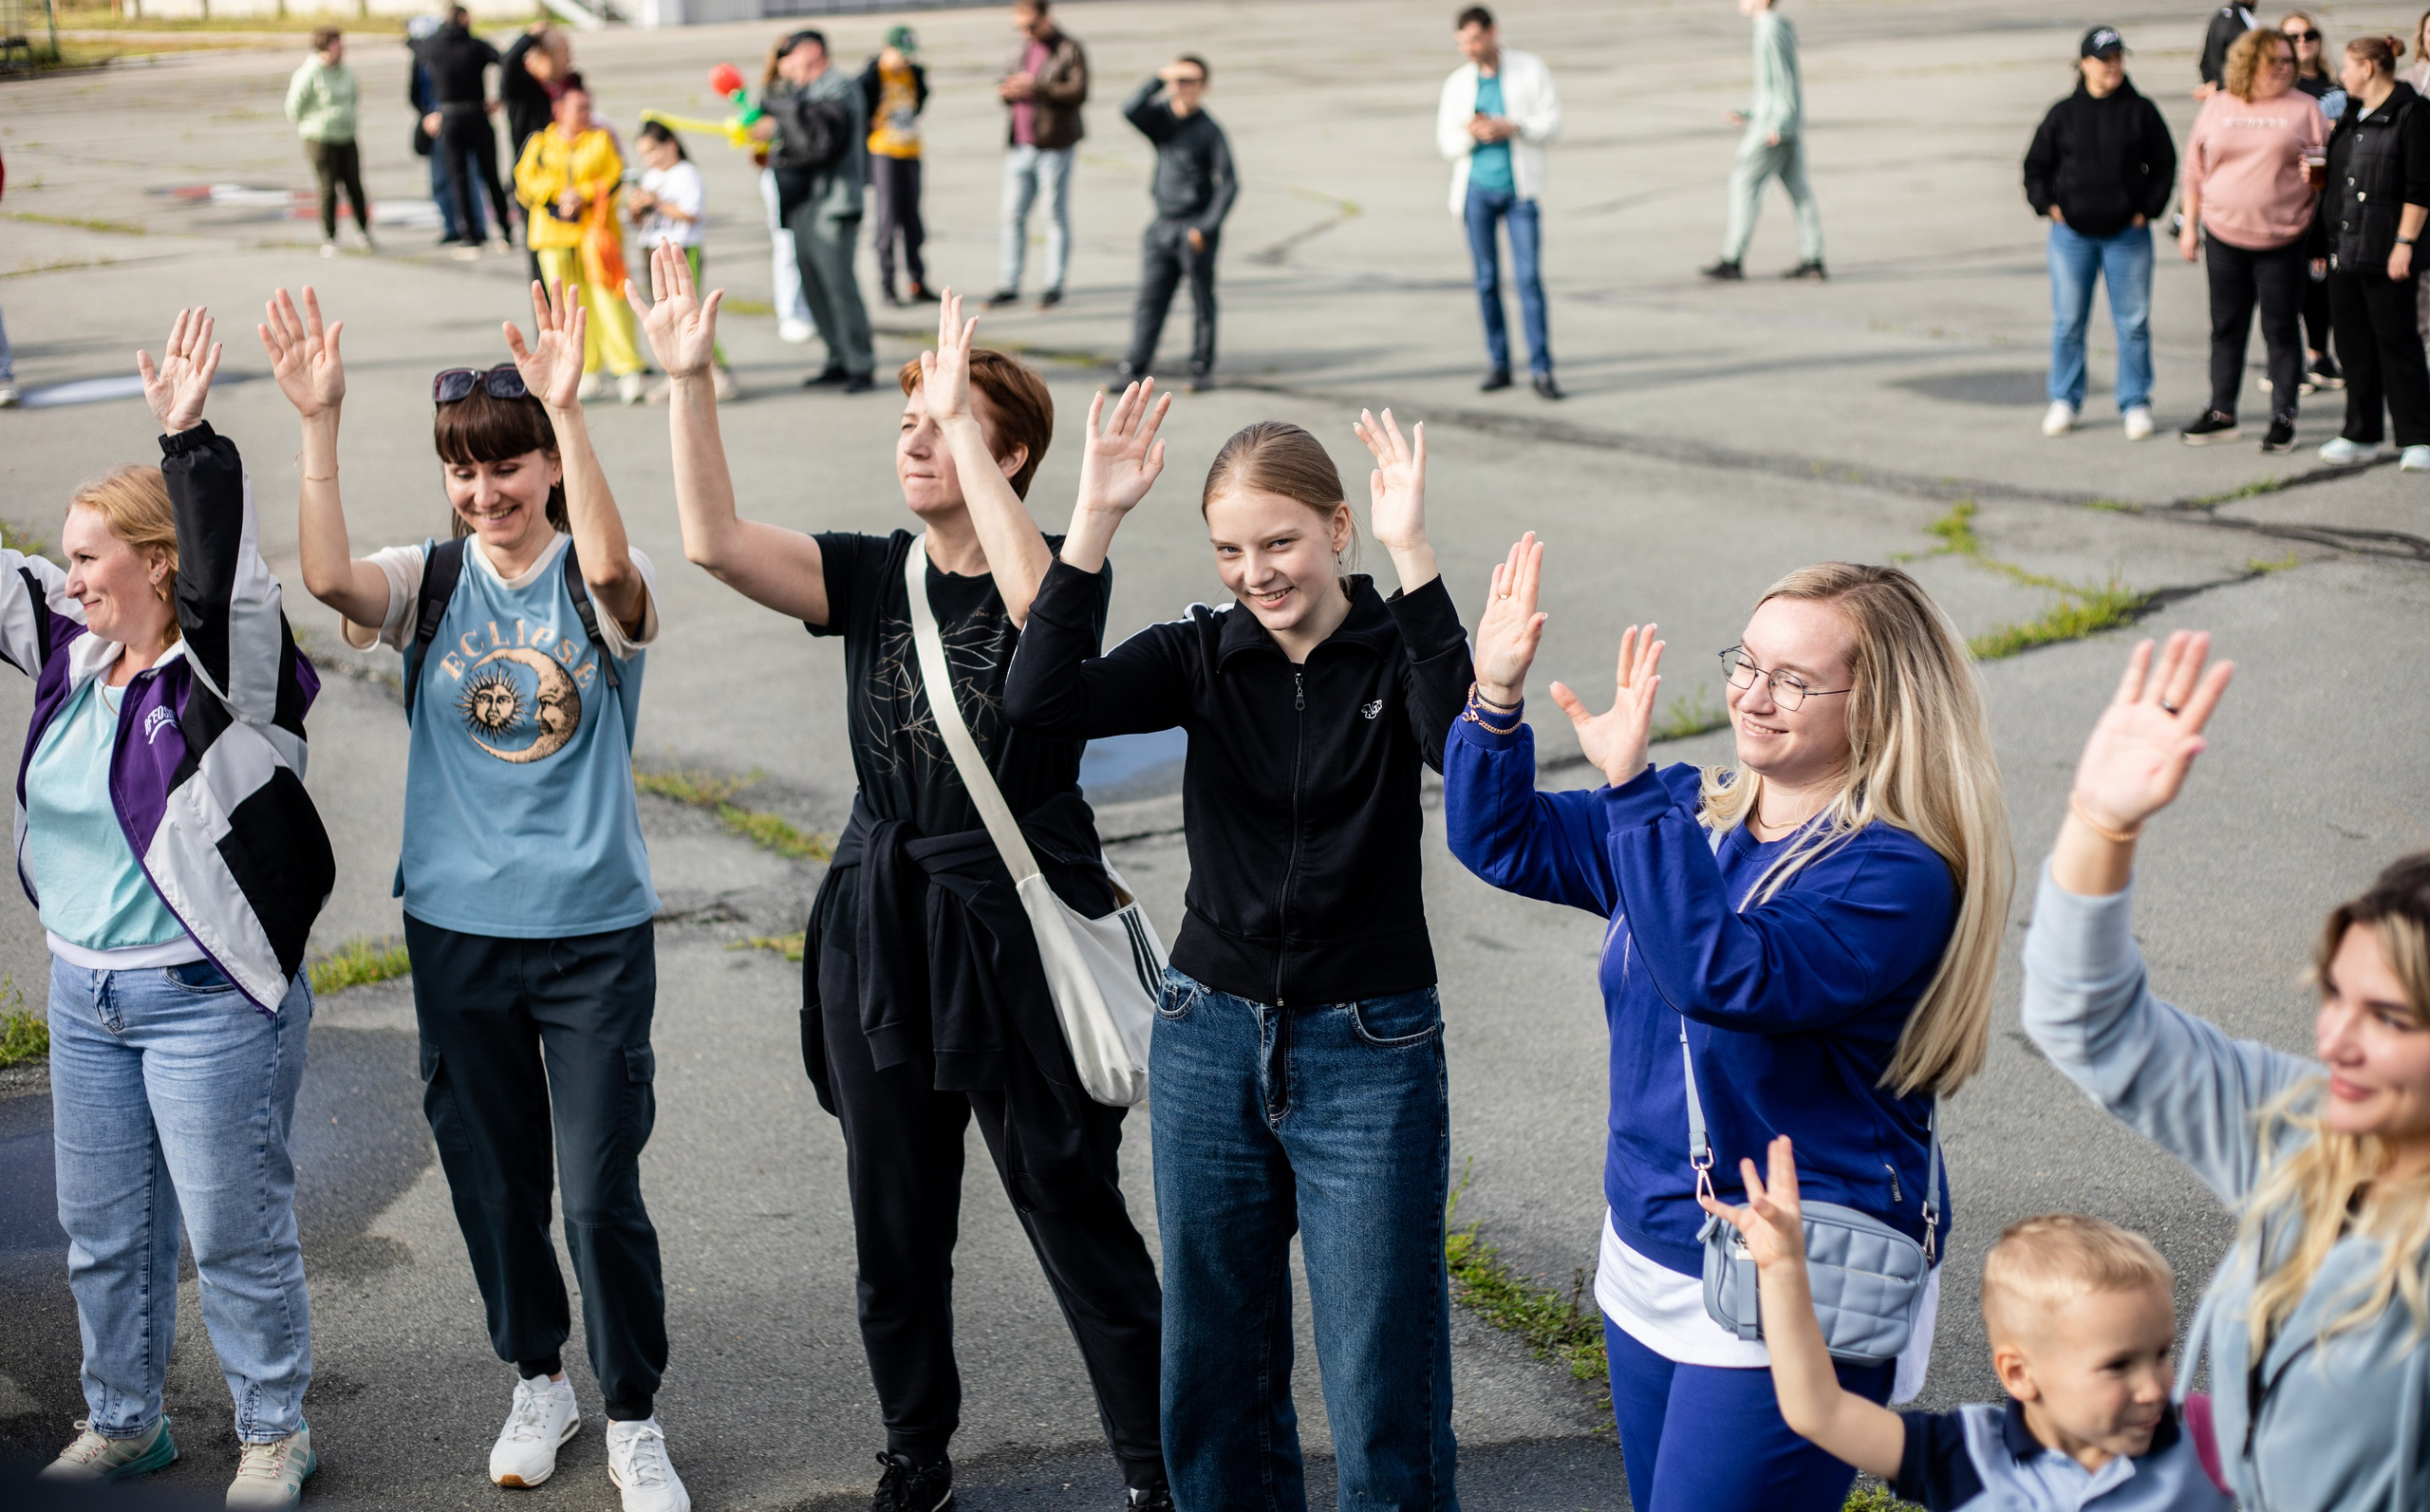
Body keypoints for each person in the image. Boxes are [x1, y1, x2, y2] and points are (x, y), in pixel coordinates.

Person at [628, 254, 1168, 1512]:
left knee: (1070, 1208)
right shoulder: (875, 576)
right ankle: (915, 1455)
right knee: (895, 1225)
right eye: (907, 425)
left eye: (947, 430)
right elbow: (710, 542)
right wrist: (688, 381)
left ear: (1010, 457)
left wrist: (968, 424)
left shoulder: (1052, 574)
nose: (915, 444)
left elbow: (1048, 628)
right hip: (885, 922)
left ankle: (1158, 1469)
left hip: (1015, 925)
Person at [1446, 550, 2011, 1512]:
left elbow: (1726, 975)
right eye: (1745, 664)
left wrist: (1628, 798)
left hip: (1796, 1276)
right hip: (1650, 1246)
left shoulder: (1895, 873)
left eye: (1793, 679)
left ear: (1874, 705)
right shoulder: (1689, 815)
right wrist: (1495, 699)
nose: (1752, 695)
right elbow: (1503, 839)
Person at [1002, 388, 1474, 1504]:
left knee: (1381, 1372)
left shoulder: (1389, 654)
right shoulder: (1199, 654)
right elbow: (1038, 703)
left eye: (1280, 543)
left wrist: (1416, 563)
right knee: (1213, 1362)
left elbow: (1468, 750)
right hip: (1207, 1035)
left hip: (1369, 1047)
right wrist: (1094, 521)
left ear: (1336, 531)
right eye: (1230, 549)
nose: (1257, 572)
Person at [261, 281, 686, 1512]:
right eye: (465, 470)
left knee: (602, 1190)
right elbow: (331, 576)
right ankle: (539, 1378)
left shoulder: (602, 575)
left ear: (548, 464)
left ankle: (636, 1416)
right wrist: (318, 423)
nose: (486, 491)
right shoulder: (433, 578)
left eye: (508, 466)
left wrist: (570, 402)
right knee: (496, 1181)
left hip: (593, 934)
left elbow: (611, 569)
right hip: (455, 933)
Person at [27, 308, 335, 1510]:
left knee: (234, 1233)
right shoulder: (72, 652)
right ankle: (126, 1423)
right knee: (102, 1234)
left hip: (206, 995)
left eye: (89, 555)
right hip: (83, 988)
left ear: (157, 563)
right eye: (63, 556)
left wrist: (188, 441)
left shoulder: (229, 670)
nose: (68, 576)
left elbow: (228, 576)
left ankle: (274, 1430)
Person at [2025, 629, 2430, 1509]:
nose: (2337, 1042)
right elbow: (2090, 1025)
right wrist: (2102, 819)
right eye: (2335, 997)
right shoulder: (2308, 1130)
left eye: (2389, 1018)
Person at [1704, 1165, 2231, 1512]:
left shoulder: (2203, 1435)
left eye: (2161, 1354)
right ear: (2020, 1375)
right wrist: (1784, 1271)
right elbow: (1820, 1412)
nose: (2152, 1388)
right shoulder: (1970, 1455)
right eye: (2118, 1366)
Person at [2024, 27, 2175, 441]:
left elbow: (2165, 164)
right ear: (2085, 64)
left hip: (2127, 235)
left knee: (2133, 322)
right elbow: (2035, 166)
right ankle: (2065, 399)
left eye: (2118, 58)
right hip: (2072, 236)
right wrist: (2048, 206)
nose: (2113, 67)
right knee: (2069, 322)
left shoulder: (2140, 111)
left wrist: (2148, 209)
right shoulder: (2063, 114)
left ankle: (2135, 401)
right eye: (2105, 59)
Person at [2176, 25, 2325, 448]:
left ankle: (2283, 416)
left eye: (2288, 61)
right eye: (2273, 60)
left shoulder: (2306, 109)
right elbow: (2194, 170)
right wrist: (2190, 226)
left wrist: (2316, 177)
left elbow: (2323, 175)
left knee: (2280, 329)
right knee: (2226, 327)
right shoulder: (2220, 105)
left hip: (2283, 239)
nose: (2282, 67)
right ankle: (2222, 412)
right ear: (2248, 61)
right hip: (2223, 235)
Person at [2315, 34, 2430, 472]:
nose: (2341, 77)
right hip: (2345, 247)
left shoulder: (2411, 114)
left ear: (2367, 68)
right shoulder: (2349, 114)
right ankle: (2359, 432)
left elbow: (2420, 187)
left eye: (2347, 67)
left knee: (2397, 340)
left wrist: (2404, 244)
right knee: (2352, 343)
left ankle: (2419, 434)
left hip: (2387, 248)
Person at [1438, 7, 1563, 399]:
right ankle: (1499, 363)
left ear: (1493, 33)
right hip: (1476, 193)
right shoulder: (1458, 84)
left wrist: (1514, 126)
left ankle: (1542, 369)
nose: (1469, 49)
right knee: (1487, 280)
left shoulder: (1529, 69)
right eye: (1462, 43)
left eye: (1475, 39)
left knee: (1528, 280)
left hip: (1520, 194)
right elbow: (1446, 143)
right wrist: (1473, 133)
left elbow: (1553, 124)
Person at [757, 29, 876, 393]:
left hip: (834, 201)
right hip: (807, 201)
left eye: (790, 58)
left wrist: (777, 121)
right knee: (813, 285)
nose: (785, 68)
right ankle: (837, 357)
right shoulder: (804, 92)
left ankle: (859, 362)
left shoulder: (837, 86)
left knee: (839, 286)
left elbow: (819, 140)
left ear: (812, 52)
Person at [514, 76, 645, 405]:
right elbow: (524, 180)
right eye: (580, 107)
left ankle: (627, 368)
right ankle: (585, 370)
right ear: (558, 110)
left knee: (608, 300)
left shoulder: (600, 140)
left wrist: (582, 196)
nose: (587, 113)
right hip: (553, 236)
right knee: (567, 306)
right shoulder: (540, 143)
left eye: (589, 107)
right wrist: (559, 197)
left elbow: (614, 176)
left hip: (595, 235)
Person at [1118, 56, 1235, 393]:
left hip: (1194, 228)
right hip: (1161, 226)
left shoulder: (1209, 130)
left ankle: (1201, 369)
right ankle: (1134, 367)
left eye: (1191, 80)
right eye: (1178, 79)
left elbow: (1229, 183)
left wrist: (1207, 226)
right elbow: (1130, 109)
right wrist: (1158, 76)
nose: (1183, 86)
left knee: (1201, 300)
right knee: (1149, 299)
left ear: (1204, 86)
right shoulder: (1162, 122)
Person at [1703, 0, 1826, 283]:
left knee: (1743, 183)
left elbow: (1782, 82)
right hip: (1782, 123)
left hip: (1774, 129)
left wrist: (1778, 125)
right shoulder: (1772, 26)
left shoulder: (1769, 29)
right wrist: (1748, 112)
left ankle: (1732, 259)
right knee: (1800, 192)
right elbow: (1769, 85)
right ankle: (1813, 258)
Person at [626, 121, 738, 403]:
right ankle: (679, 374)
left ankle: (719, 372)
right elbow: (638, 220)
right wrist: (637, 207)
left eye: (653, 150)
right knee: (666, 315)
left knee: (691, 313)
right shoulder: (651, 176)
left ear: (671, 144)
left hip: (682, 248)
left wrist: (657, 203)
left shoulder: (687, 174)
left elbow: (692, 213)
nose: (650, 158)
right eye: (644, 153)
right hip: (652, 248)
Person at [991, 1, 1089, 312]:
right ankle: (1010, 283)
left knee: (1053, 215)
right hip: (1021, 144)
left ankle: (1054, 284)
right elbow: (1005, 80)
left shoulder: (1068, 49)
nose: (1025, 32)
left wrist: (1038, 87)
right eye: (1020, 26)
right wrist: (1006, 91)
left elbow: (1078, 92)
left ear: (1047, 17)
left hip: (1054, 146)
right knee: (1011, 215)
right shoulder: (1021, 48)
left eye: (1031, 25)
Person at [416, 5, 514, 260]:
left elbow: (415, 58)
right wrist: (500, 97)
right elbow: (506, 62)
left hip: (449, 116)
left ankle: (471, 236)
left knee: (459, 179)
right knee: (490, 175)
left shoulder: (434, 46)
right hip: (476, 113)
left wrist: (428, 111)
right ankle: (505, 230)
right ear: (464, 19)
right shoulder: (475, 45)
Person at [2284, 13, 2346, 397]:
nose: (2303, 41)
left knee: (2321, 281)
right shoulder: (2277, 88)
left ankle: (2318, 355)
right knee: (2285, 283)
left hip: (2327, 200)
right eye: (2293, 35)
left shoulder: (2336, 87)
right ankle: (2287, 362)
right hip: (2287, 199)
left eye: (2310, 34)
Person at [861, 26, 934, 308]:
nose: (905, 60)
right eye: (900, 54)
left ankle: (917, 280)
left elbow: (919, 102)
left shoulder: (914, 74)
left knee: (913, 220)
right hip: (884, 153)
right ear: (885, 49)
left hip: (911, 150)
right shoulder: (871, 77)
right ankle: (887, 283)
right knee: (887, 219)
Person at [285, 28, 373, 257]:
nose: (342, 49)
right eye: (338, 44)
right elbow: (294, 107)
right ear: (325, 47)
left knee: (355, 185)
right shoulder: (310, 73)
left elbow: (354, 97)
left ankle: (364, 231)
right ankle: (331, 236)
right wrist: (317, 121)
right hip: (320, 139)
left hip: (346, 136)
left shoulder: (346, 72)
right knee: (328, 187)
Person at [756, 36, 816, 345]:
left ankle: (808, 309)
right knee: (787, 246)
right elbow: (757, 140)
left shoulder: (811, 87)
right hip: (780, 176)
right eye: (788, 57)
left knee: (808, 247)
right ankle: (790, 313)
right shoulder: (774, 94)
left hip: (808, 176)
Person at [407, 14, 472, 249]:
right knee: (440, 180)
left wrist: (443, 114)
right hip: (432, 126)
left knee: (467, 177)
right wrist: (426, 116)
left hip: (455, 121)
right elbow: (414, 94)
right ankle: (450, 227)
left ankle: (473, 226)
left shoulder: (447, 55)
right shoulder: (419, 60)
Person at [2198, 1, 2256, 96]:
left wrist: (2210, 83)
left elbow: (2205, 59)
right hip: (2241, 93)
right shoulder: (2247, 21)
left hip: (2218, 94)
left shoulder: (2218, 17)